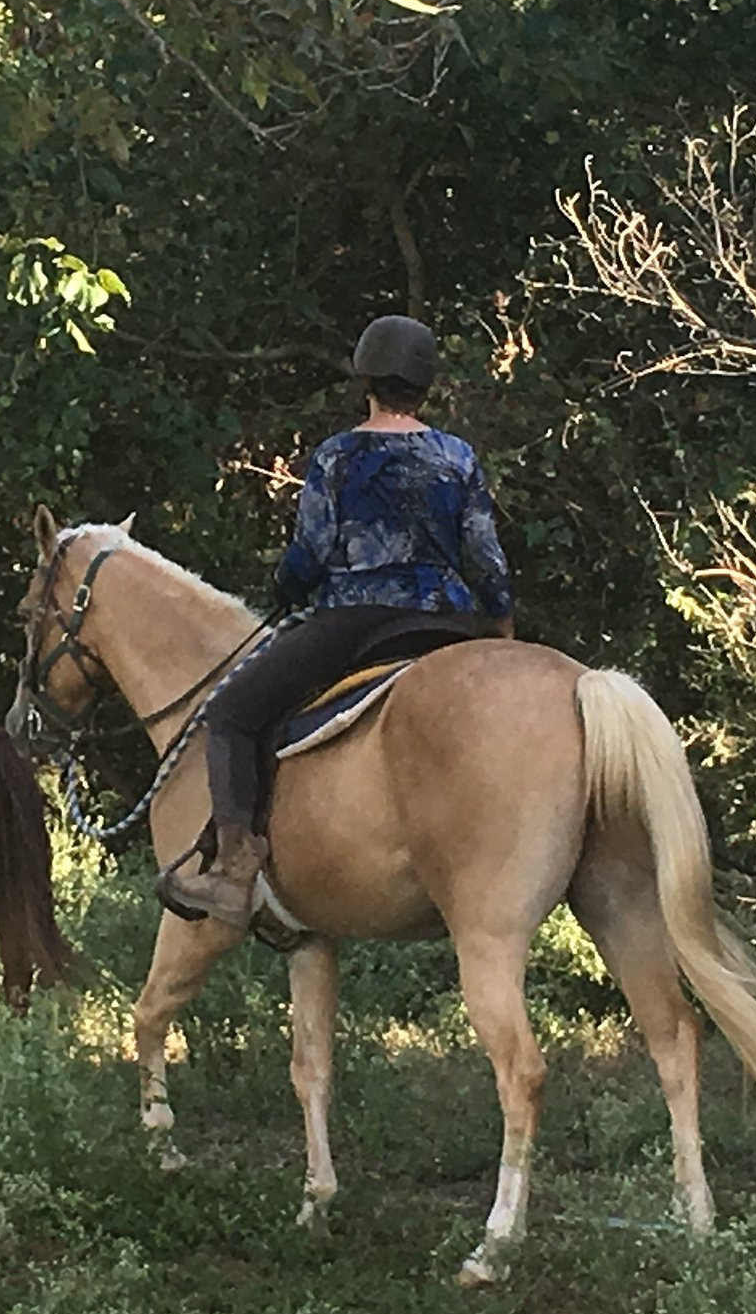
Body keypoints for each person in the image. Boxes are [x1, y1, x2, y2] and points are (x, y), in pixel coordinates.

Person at [159, 314, 516, 928]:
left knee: (233, 713)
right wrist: (502, 623)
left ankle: (234, 867)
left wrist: (286, 587)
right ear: (424, 386)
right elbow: (484, 552)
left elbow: (311, 554)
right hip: (447, 624)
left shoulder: (337, 457)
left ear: (366, 380)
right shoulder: (456, 456)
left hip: (357, 622)